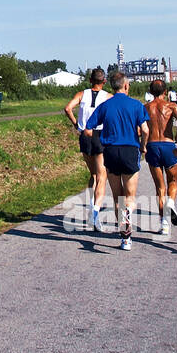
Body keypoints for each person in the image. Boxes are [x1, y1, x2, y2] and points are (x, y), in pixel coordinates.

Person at [82, 71, 149, 250]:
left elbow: (88, 128)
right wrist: (143, 146)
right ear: (126, 85)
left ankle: (123, 235)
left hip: (110, 151)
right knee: (130, 196)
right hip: (130, 150)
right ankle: (127, 236)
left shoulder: (105, 106)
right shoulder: (136, 105)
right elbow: (146, 129)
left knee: (117, 195)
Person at [64, 68, 109, 231]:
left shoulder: (82, 94)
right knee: (102, 175)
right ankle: (96, 213)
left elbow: (68, 108)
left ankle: (91, 204)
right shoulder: (107, 97)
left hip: (84, 135)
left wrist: (76, 123)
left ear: (90, 81)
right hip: (99, 134)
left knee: (93, 175)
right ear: (104, 82)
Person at [144, 79, 177, 235]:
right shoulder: (172, 106)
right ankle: (171, 203)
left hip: (152, 145)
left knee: (160, 188)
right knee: (172, 181)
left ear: (150, 92)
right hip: (168, 145)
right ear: (165, 91)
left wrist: (142, 146)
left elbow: (141, 129)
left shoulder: (145, 107)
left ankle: (164, 224)